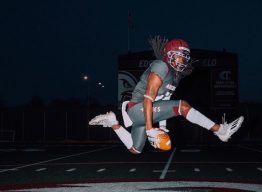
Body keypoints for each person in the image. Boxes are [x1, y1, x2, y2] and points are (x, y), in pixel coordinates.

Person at [89, 37, 244, 154]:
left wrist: (162, 126)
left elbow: (164, 101)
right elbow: (148, 99)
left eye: (185, 57)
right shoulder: (161, 66)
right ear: (169, 54)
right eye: (180, 56)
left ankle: (113, 122)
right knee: (182, 106)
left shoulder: (176, 77)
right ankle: (220, 130)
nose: (183, 60)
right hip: (138, 109)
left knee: (135, 149)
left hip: (147, 113)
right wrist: (151, 130)